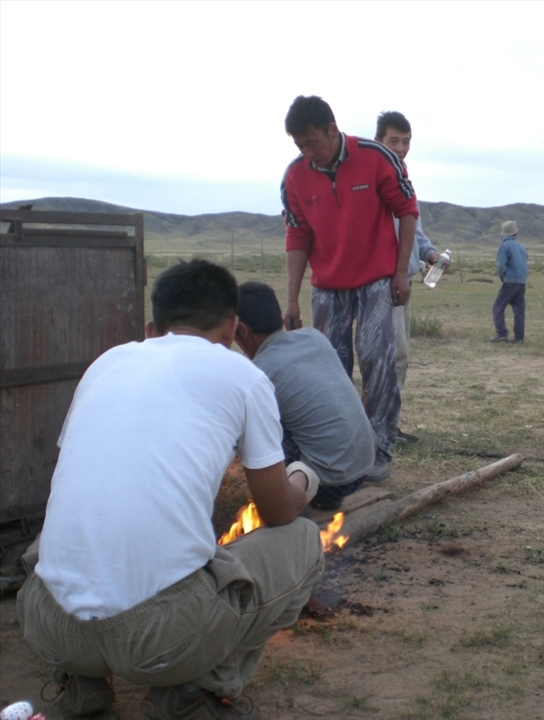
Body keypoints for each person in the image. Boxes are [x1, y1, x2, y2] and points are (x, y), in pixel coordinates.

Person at [17, 260, 323, 720]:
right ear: (231, 330)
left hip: (49, 627)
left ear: (151, 327)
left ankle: (82, 682)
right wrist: (302, 479)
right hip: (162, 640)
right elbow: (277, 511)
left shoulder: (104, 364)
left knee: (72, 527)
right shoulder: (242, 375)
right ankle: (198, 691)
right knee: (302, 540)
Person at [281, 95, 419, 482]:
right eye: (300, 146)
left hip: (376, 279)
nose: (308, 153)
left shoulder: (376, 157)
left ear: (332, 129)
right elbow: (297, 235)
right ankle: (336, 450)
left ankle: (380, 449)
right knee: (330, 369)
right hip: (327, 287)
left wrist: (400, 272)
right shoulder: (295, 176)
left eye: (313, 143)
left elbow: (407, 210)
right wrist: (291, 299)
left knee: (378, 360)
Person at [235, 281, 377, 511]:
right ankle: (325, 498)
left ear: (241, 330)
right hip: (364, 466)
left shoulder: (259, 373)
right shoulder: (313, 337)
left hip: (326, 482)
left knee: (255, 423)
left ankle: (294, 500)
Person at [374, 110, 440, 443]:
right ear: (378, 142)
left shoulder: (404, 180)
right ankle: (380, 427)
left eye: (406, 141)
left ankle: (389, 423)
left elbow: (415, 229)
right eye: (394, 141)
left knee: (400, 357)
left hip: (406, 283)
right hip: (385, 283)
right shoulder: (373, 184)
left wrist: (428, 254)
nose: (401, 147)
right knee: (390, 356)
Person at [490, 220, 528, 343]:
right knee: (519, 309)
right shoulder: (521, 247)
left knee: (498, 306)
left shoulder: (505, 246)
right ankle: (519, 337)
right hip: (521, 281)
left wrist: (501, 275)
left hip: (510, 280)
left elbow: (501, 265)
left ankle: (501, 333)